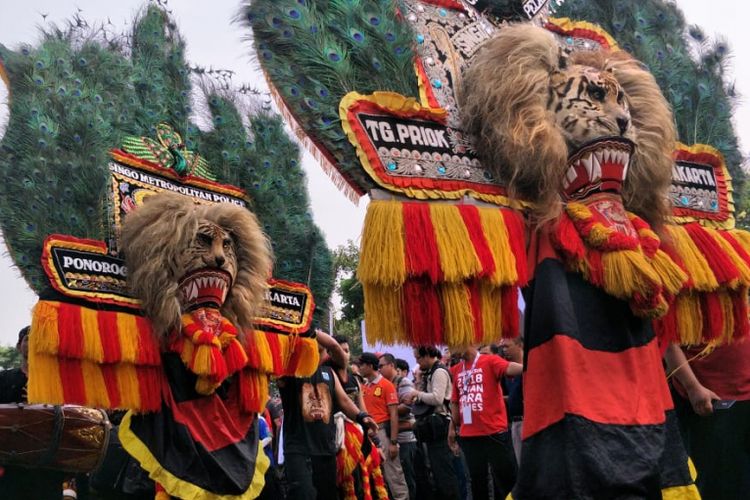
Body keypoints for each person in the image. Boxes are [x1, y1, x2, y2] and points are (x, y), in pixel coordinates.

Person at [279, 331, 378, 500]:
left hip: (325, 450)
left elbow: (345, 401)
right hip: (298, 451)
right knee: (304, 495)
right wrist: (300, 330)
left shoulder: (329, 373)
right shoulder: (289, 369)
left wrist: (361, 417)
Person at [665, 340, 750, 499]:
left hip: (743, 389)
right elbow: (667, 342)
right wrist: (692, 387)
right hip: (711, 399)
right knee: (721, 484)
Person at [449, 344, 522, 500]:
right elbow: (456, 402)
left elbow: (509, 368)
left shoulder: (490, 361)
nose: (450, 350)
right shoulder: (456, 370)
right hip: (469, 436)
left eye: (453, 344)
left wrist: (530, 365)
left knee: (507, 480)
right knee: (477, 482)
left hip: (494, 432)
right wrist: (452, 429)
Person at [0, 326, 66, 500]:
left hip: (47, 463)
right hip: (10, 463)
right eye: (28, 339)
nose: (32, 343)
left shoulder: (58, 381)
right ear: (18, 345)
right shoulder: (4, 379)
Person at [407, 345, 460, 500]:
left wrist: (417, 394)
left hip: (440, 424)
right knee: (436, 470)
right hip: (433, 425)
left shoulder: (439, 372)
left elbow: (437, 398)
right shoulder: (429, 372)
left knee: (443, 470)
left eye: (418, 358)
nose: (417, 362)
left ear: (428, 355)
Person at [359, 352, 409, 500]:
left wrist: (393, 442)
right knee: (375, 474)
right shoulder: (363, 386)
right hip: (367, 434)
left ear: (369, 366)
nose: (359, 368)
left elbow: (394, 414)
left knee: (393, 474)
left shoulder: (386, 385)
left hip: (382, 432)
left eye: (361, 365)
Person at [379, 353, 418, 500]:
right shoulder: (383, 384)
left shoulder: (403, 382)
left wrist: (387, 409)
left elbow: (408, 406)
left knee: (407, 479)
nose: (379, 369)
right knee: (395, 478)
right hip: (392, 436)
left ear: (392, 366)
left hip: (405, 438)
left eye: (381, 366)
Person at [500, 334, 525, 462]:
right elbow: (507, 395)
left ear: (520, 345)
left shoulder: (530, 366)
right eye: (503, 347)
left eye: (507, 346)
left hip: (528, 420)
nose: (504, 349)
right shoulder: (507, 372)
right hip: (514, 422)